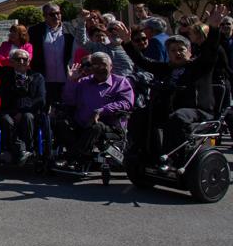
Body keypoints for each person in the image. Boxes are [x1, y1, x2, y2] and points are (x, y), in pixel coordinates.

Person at [113, 12, 230, 155]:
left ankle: (172, 155)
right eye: (173, 50)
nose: (177, 53)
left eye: (181, 50)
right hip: (170, 109)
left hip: (197, 110)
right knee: (141, 114)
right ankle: (141, 152)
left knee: (177, 117)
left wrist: (213, 28)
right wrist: (127, 42)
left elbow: (210, 50)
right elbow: (142, 62)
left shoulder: (200, 66)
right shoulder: (167, 68)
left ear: (189, 51)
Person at [59, 52, 134, 166]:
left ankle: (74, 156)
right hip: (82, 124)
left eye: (103, 64)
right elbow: (69, 101)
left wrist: (102, 110)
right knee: (61, 124)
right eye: (95, 65)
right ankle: (79, 155)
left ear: (111, 66)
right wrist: (72, 81)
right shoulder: (84, 82)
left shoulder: (120, 82)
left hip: (108, 125)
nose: (99, 68)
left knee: (96, 127)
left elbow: (127, 103)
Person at [0, 48, 46, 164]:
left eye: (24, 59)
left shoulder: (37, 77)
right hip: (9, 110)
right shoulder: (6, 74)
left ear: (29, 61)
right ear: (11, 62)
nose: (21, 62)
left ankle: (28, 148)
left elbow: (40, 99)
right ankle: (18, 150)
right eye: (17, 59)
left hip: (29, 111)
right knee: (6, 120)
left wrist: (23, 111)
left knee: (28, 117)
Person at [29, 3, 77, 105]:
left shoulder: (70, 29)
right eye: (52, 14)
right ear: (45, 16)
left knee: (66, 107)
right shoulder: (35, 31)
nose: (56, 16)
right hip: (44, 78)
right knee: (44, 108)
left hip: (66, 78)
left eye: (58, 13)